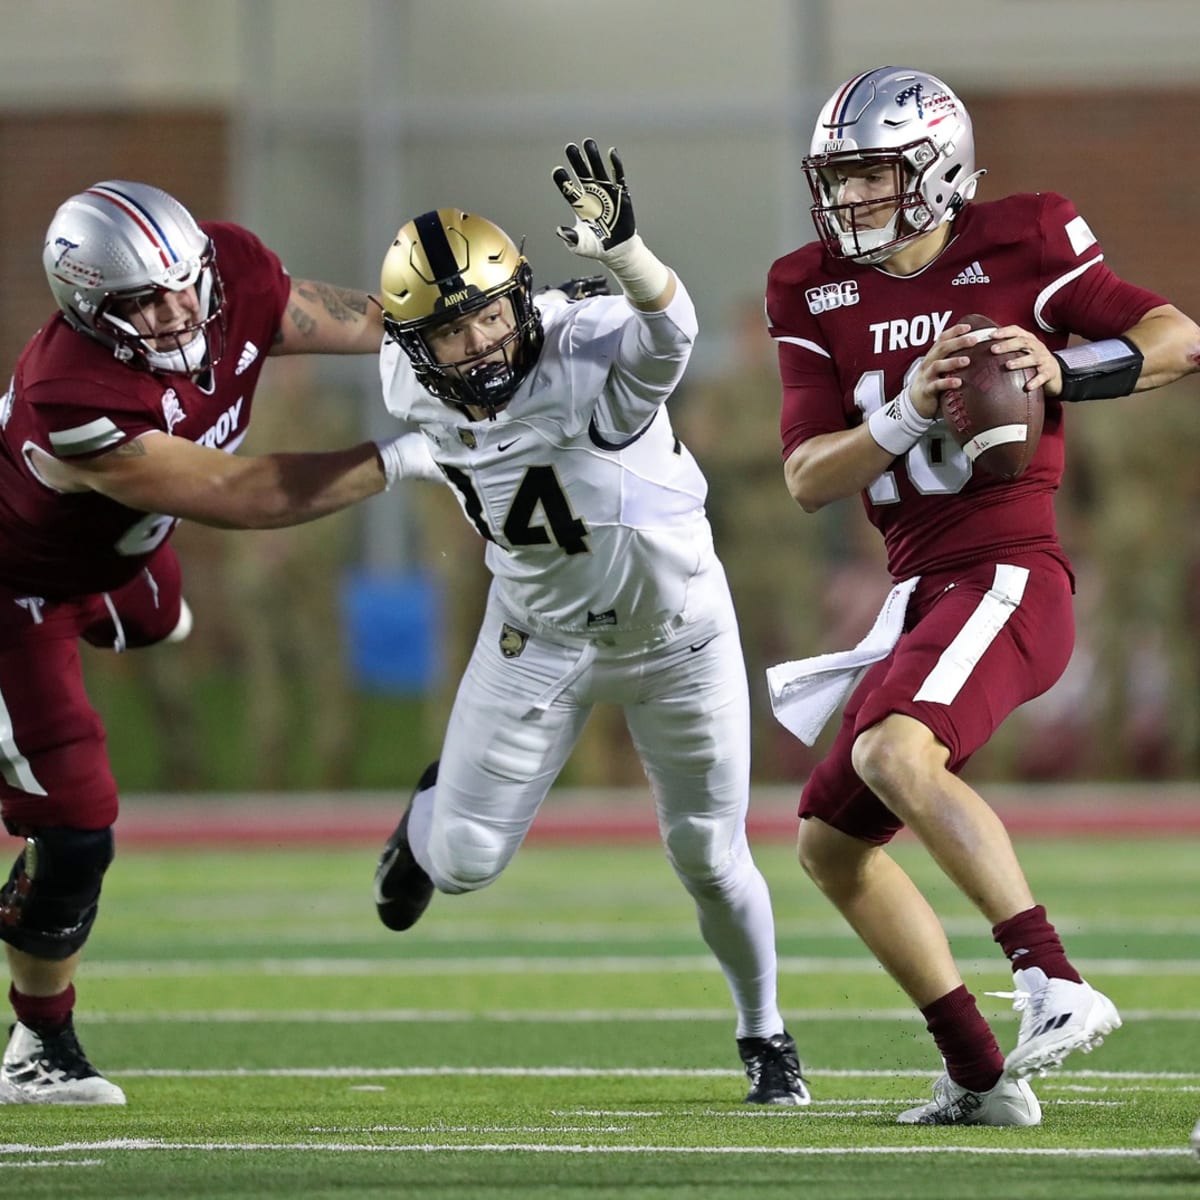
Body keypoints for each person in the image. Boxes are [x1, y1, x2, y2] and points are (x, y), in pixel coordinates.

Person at [763, 66, 1200, 1126]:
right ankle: (976, 1074)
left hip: (1010, 572)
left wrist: (1060, 368)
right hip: (921, 589)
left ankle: (1054, 977)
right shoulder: (808, 284)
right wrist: (909, 415)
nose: (853, 200)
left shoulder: (1025, 239)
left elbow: (1177, 339)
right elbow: (810, 476)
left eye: (873, 175)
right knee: (829, 845)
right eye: (840, 179)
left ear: (938, 166)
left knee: (890, 754)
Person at [370, 139, 809, 1106]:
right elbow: (461, 450)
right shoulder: (409, 387)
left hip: (678, 636)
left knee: (708, 851)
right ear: (415, 350)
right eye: (450, 332)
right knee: (465, 861)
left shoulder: (587, 344)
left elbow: (671, 333)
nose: (479, 342)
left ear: (520, 297)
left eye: (488, 313)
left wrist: (628, 253)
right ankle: (421, 819)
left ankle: (764, 1032)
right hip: (538, 636)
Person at [0, 180, 441, 1104]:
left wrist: (472, 333)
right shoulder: (69, 391)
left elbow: (351, 319)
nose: (176, 311)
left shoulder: (229, 269)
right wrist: (404, 456)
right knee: (79, 832)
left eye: (183, 284)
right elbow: (241, 495)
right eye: (143, 302)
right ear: (88, 310)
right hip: (19, 587)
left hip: (119, 564)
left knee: (160, 617)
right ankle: (39, 1046)